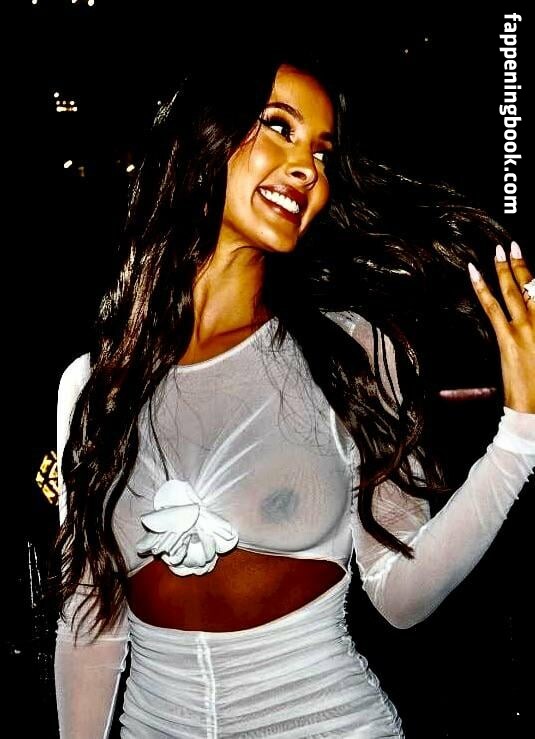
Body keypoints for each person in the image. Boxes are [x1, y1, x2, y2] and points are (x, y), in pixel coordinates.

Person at [52, 50, 535, 738]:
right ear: (205, 136)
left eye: (322, 153)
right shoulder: (91, 388)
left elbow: (401, 596)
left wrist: (522, 432)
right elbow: (89, 627)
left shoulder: (349, 352)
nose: (308, 167)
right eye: (280, 127)